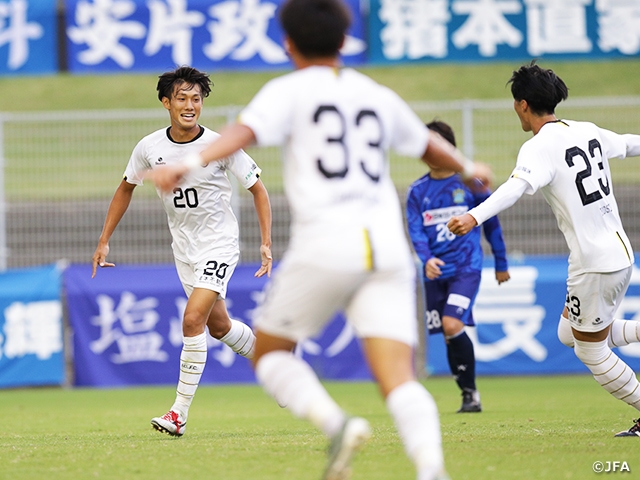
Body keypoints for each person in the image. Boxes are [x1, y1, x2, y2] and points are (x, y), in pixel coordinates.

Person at [146, 0, 491, 477]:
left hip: (327, 242)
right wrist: (471, 168)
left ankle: (336, 424)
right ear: (344, 41)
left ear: (288, 44)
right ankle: (432, 471)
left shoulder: (288, 91)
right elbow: (427, 144)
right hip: (387, 248)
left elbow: (242, 133)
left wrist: (185, 163)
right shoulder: (374, 92)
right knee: (398, 378)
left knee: (269, 355)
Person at [447, 61, 640, 437]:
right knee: (570, 333)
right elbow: (631, 143)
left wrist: (473, 216)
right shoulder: (587, 130)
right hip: (616, 254)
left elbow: (514, 188)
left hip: (594, 263)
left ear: (522, 105)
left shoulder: (538, 147)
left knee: (589, 350)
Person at [91, 66, 273, 437]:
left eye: (197, 99)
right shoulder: (149, 148)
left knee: (192, 320)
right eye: (182, 98)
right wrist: (103, 239)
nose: (190, 105)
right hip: (184, 249)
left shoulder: (220, 145)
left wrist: (266, 243)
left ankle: (178, 414)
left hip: (219, 244)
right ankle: (277, 365)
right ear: (166, 103)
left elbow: (259, 189)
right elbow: (125, 188)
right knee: (218, 325)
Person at [406, 120, 510, 414]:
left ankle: (471, 393)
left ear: (448, 149)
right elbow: (416, 231)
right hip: (435, 273)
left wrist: (500, 261)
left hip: (466, 269)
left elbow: (491, 221)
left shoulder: (470, 184)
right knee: (449, 334)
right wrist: (427, 260)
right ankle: (469, 394)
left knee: (452, 324)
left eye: (434, 145)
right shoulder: (417, 191)